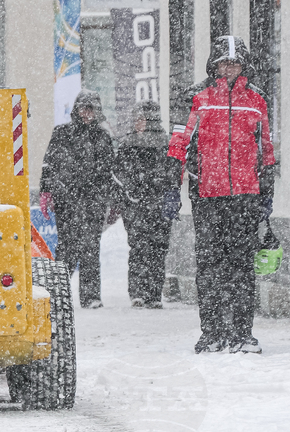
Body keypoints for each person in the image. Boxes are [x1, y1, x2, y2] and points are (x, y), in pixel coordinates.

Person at [164, 35, 275, 354]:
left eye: (235, 62)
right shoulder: (196, 96)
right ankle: (211, 332)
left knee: (241, 265)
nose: (229, 68)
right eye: (224, 62)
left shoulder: (257, 98)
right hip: (207, 195)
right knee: (210, 264)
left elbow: (266, 149)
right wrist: (173, 187)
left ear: (244, 66)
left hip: (245, 195)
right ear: (214, 65)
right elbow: (178, 144)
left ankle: (242, 333)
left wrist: (266, 195)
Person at [40, 90, 116, 309]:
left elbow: (109, 171)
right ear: (76, 110)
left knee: (91, 247)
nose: (86, 113)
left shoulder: (102, 137)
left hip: (94, 201)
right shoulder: (61, 133)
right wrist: (46, 191)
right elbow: (49, 164)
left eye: (91, 109)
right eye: (84, 108)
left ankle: (91, 297)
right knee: (67, 248)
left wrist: (110, 200)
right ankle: (56, 294)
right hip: (67, 200)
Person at [114, 101, 172, 308]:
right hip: (135, 205)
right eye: (137, 119)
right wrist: (129, 190)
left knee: (158, 249)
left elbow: (171, 171)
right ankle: (137, 292)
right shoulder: (127, 143)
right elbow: (118, 172)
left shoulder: (165, 143)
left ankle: (154, 294)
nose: (139, 123)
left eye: (143, 119)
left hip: (158, 204)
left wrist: (158, 184)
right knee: (138, 247)